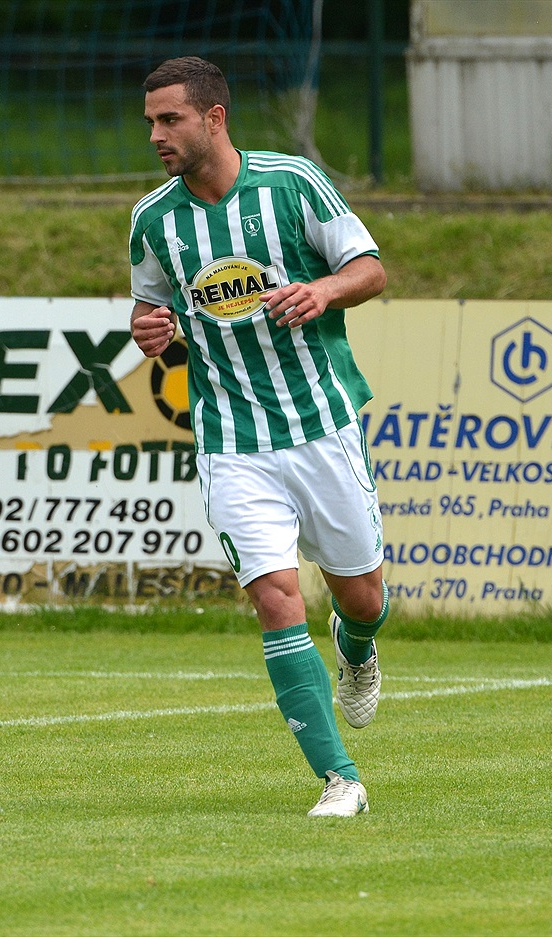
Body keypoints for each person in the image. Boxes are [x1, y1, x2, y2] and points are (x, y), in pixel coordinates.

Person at [129, 56, 389, 818]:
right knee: (277, 600)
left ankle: (359, 644)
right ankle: (340, 779)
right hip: (230, 438)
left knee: (364, 596)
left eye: (169, 119)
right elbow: (149, 314)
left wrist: (325, 287)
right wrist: (150, 330)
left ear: (214, 118)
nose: (156, 136)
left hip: (320, 423)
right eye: (149, 121)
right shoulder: (153, 220)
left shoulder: (294, 183)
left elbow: (370, 269)